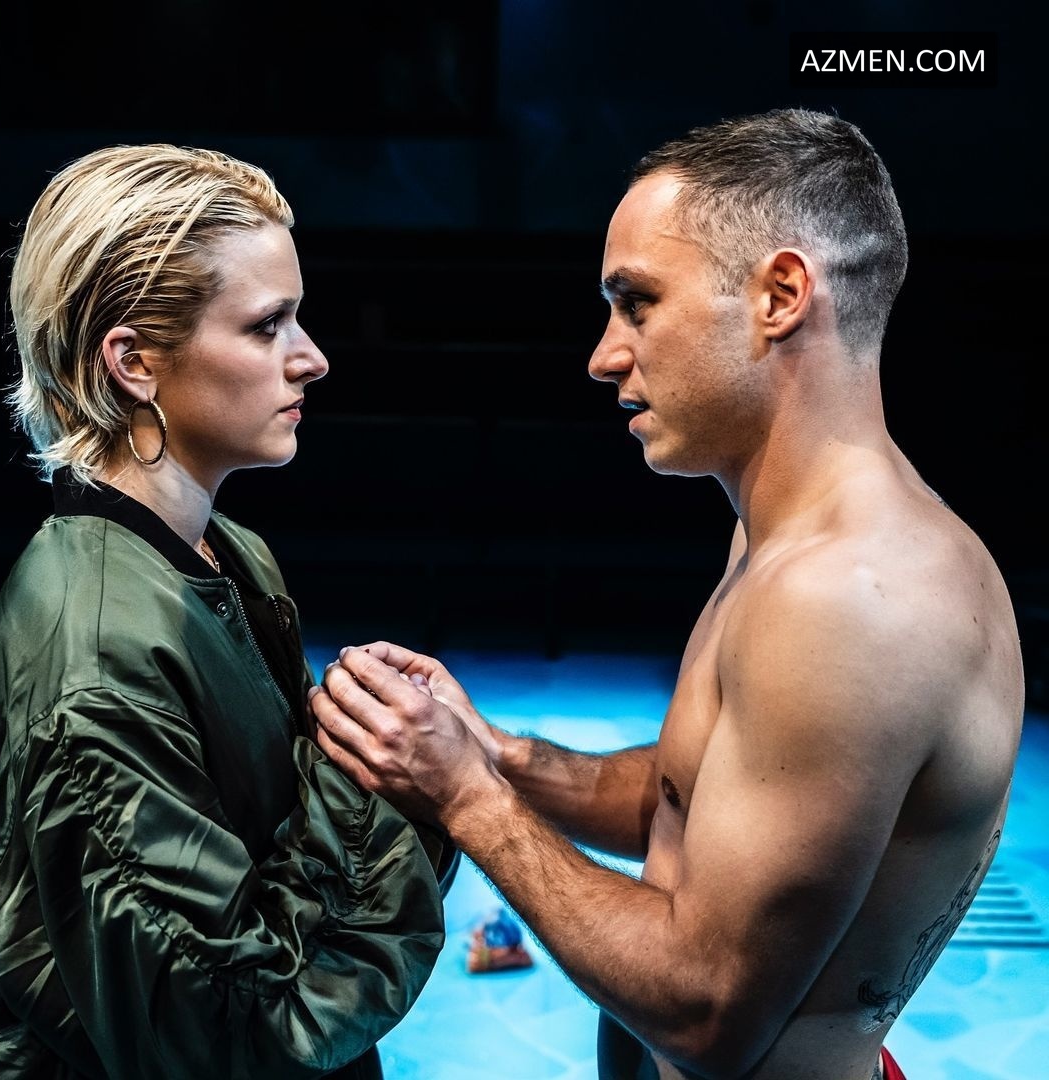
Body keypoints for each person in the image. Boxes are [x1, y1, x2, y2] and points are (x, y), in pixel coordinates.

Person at [308, 108, 1026, 1079]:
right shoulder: (783, 539)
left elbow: (707, 1014)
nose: (605, 354)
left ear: (780, 296)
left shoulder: (853, 597)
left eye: (637, 303)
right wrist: (493, 753)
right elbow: (698, 792)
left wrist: (468, 798)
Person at [0, 143, 454, 1079]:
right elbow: (238, 1036)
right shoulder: (100, 660)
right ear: (134, 362)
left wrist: (368, 742)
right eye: (267, 325)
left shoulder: (226, 549)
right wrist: (381, 782)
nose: (312, 358)